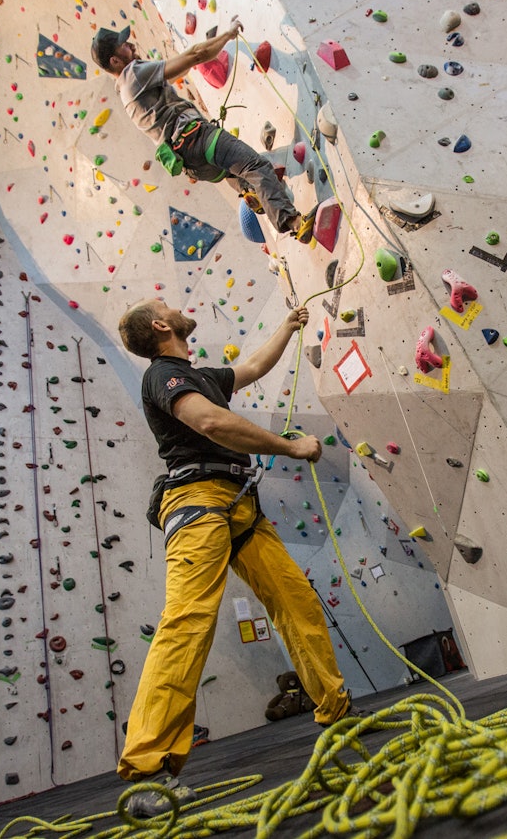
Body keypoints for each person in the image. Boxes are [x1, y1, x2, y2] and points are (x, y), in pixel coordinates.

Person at [114, 298, 359, 818]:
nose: (174, 308)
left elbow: (252, 367)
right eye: (166, 307)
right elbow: (211, 424)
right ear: (161, 326)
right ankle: (149, 770)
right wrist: (289, 448)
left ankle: (338, 716)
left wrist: (288, 327)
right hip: (197, 504)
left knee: (296, 602)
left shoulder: (197, 374)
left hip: (240, 507)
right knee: (188, 620)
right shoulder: (163, 375)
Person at [91, 20, 313, 242]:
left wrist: (201, 56)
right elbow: (195, 55)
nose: (130, 45)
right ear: (115, 60)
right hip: (197, 137)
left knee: (236, 172)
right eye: (124, 45)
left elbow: (185, 64)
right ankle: (292, 222)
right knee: (255, 166)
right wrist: (227, 35)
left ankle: (248, 191)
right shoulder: (133, 74)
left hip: (194, 164)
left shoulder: (125, 94)